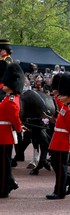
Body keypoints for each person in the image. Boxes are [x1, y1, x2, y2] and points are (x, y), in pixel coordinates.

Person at [46, 73, 70, 199]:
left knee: (60, 167)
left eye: (63, 95)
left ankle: (59, 192)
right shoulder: (65, 108)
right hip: (57, 140)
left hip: (63, 142)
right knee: (56, 164)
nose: (60, 97)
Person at [0, 63, 24, 198]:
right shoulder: (7, 98)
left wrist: (19, 128)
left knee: (4, 164)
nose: (3, 84)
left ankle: (4, 189)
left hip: (4, 135)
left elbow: (14, 118)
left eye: (6, 83)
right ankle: (9, 182)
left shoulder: (11, 100)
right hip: (2, 133)